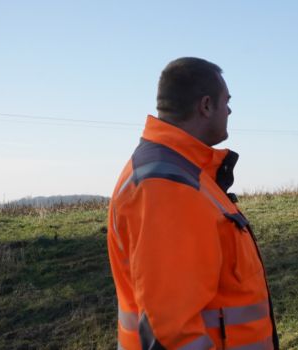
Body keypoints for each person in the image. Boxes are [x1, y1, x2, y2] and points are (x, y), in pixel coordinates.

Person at [107, 57, 278, 350]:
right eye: (227, 101)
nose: (230, 110)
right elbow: (172, 333)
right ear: (206, 105)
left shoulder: (184, 174)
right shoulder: (167, 187)